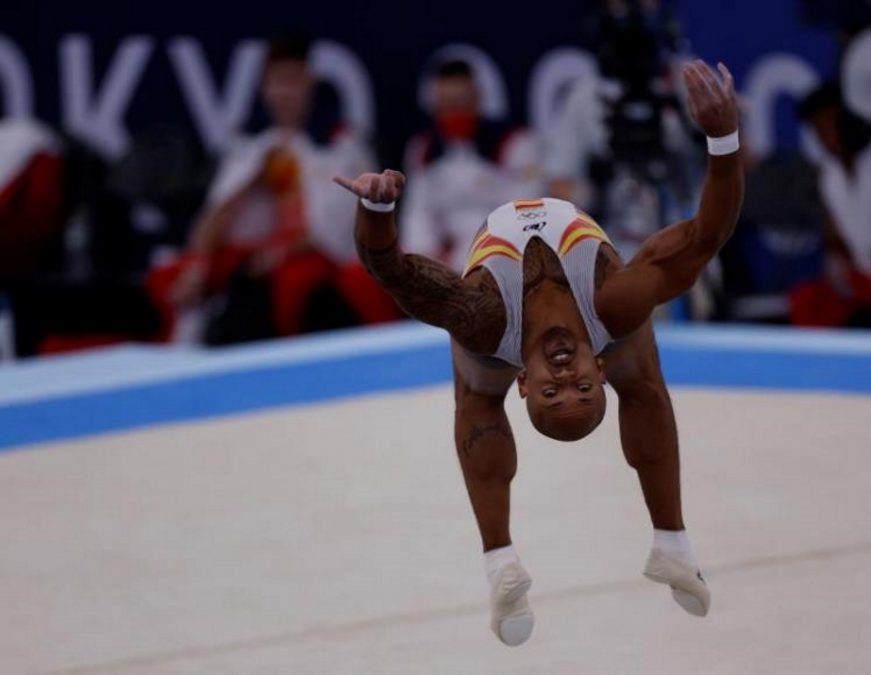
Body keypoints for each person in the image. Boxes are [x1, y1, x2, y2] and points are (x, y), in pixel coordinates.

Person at [335, 59, 743, 646]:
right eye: (582, 386)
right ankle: (673, 541)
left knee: (476, 390)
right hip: (599, 311)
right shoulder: (614, 302)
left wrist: (376, 211)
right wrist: (723, 139)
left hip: (501, 326)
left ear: (524, 384)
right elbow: (708, 234)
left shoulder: (483, 315)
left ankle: (498, 559)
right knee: (642, 374)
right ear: (597, 368)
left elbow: (390, 269)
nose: (565, 373)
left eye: (552, 391)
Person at [149, 33, 398, 343]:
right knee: (170, 280)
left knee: (293, 286)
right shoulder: (247, 146)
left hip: (313, 256)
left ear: (309, 84)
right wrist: (198, 266)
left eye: (293, 82)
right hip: (254, 253)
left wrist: (281, 252)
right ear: (264, 88)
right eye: (278, 83)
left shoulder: (342, 144)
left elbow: (345, 228)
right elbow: (214, 219)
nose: (285, 93)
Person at [401, 59, 541, 272]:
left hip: (502, 256)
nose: (454, 113)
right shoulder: (423, 149)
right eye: (446, 106)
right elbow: (417, 215)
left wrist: (467, 256)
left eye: (461, 103)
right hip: (442, 260)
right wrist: (425, 258)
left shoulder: (514, 143)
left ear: (477, 98)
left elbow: (524, 212)